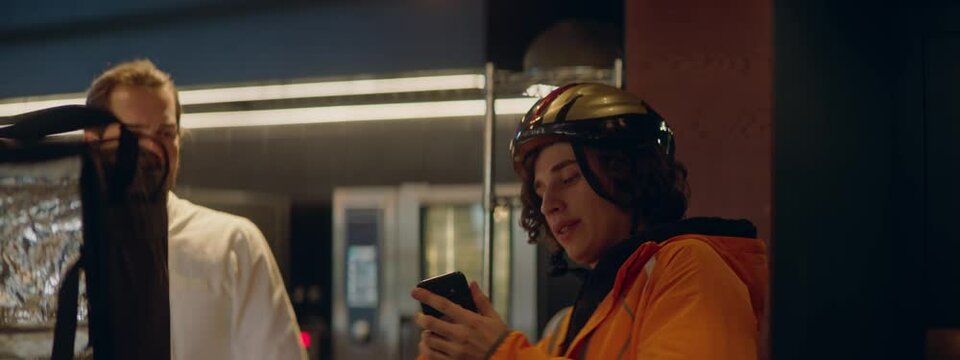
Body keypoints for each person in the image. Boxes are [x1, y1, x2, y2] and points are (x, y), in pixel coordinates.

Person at [411, 83, 768, 359]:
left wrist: (502, 351)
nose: (549, 205)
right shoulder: (576, 319)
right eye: (540, 191)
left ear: (628, 175)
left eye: (568, 179)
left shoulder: (691, 267)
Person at [83, 59, 307, 360]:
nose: (152, 149)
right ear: (92, 140)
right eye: (134, 134)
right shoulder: (61, 245)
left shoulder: (232, 244)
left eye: (165, 133)